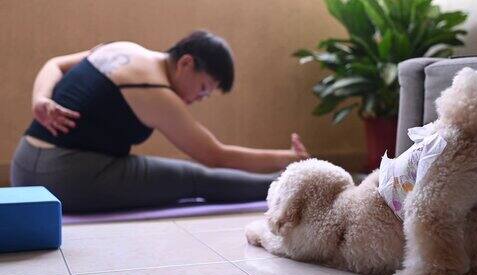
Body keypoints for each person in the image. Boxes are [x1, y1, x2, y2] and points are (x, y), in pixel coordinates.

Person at [11, 30, 309, 212]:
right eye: (204, 87)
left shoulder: (122, 48)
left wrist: (41, 99)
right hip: (64, 178)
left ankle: (290, 180)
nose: (200, 98)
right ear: (186, 63)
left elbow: (54, 64)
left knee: (179, 173)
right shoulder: (153, 90)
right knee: (193, 178)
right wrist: (289, 158)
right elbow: (215, 155)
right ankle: (289, 186)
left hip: (23, 166)